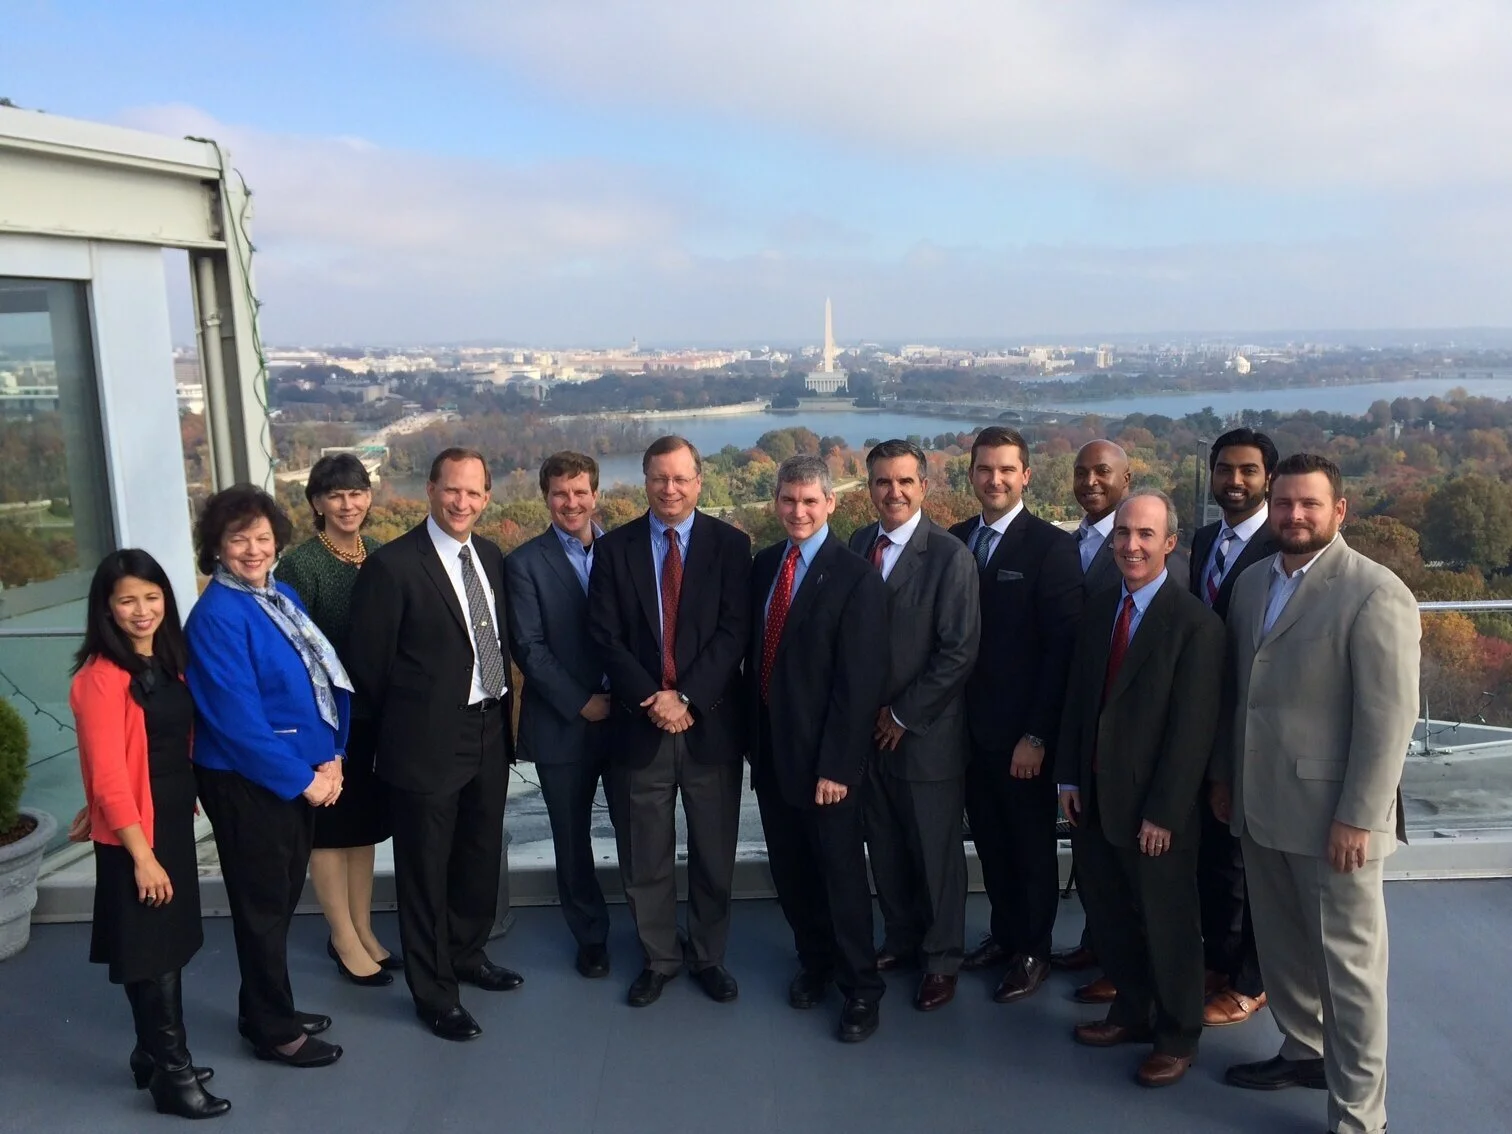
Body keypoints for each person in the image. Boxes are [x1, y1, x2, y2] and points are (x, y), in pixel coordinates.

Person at [1213, 453, 1419, 1134]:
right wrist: (1224, 780)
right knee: (1283, 952)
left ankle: (1359, 1115)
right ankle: (1305, 1052)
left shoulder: (1375, 592)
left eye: (1310, 504)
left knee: (1349, 974)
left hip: (1336, 821)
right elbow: (1240, 696)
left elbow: (1389, 719)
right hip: (1260, 809)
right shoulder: (1252, 585)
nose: (1295, 515)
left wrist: (1359, 816)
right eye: (1284, 503)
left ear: (1340, 510)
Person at [347, 448, 522, 1042]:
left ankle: (468, 954)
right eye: (452, 489)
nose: (461, 502)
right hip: (424, 743)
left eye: (473, 493)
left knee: (478, 856)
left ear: (487, 498)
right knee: (424, 872)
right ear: (429, 489)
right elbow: (368, 669)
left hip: (489, 729)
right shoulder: (393, 566)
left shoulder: (491, 557)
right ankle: (434, 994)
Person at [1055, 491, 1225, 1089]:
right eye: (1123, 533)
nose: (1131, 545)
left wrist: (1165, 813)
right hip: (1093, 799)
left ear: (1170, 544)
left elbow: (1193, 732)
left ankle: (1176, 1037)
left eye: (1146, 535)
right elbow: (1079, 701)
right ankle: (1130, 1011)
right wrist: (1069, 777)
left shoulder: (1196, 626)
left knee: (1169, 924)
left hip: (1155, 811)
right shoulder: (1101, 608)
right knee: (1110, 916)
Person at [186, 485, 348, 1069]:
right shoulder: (216, 616)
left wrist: (333, 755)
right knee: (262, 907)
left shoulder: (279, 595)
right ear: (216, 547)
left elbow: (318, 681)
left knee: (277, 901)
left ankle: (261, 1009)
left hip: (295, 772)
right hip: (249, 782)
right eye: (239, 539)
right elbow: (237, 723)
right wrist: (306, 781)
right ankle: (274, 1031)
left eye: (262, 537)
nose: (253, 549)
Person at [587, 436, 751, 1008]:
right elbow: (604, 636)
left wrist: (687, 698)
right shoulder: (614, 549)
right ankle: (659, 958)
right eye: (660, 478)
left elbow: (734, 632)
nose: (670, 489)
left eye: (681, 478)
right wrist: (653, 699)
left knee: (714, 854)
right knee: (644, 855)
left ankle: (708, 956)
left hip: (711, 726)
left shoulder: (731, 545)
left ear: (699, 482)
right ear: (645, 481)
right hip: (641, 726)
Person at [70, 549, 231, 1119]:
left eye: (152, 596)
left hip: (169, 816)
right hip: (138, 833)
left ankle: (152, 1054)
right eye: (127, 601)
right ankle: (174, 1073)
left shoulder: (164, 660)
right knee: (154, 950)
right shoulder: (100, 678)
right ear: (106, 609)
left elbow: (144, 748)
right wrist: (141, 854)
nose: (142, 610)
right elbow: (110, 770)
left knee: (163, 943)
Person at [748, 455, 890, 1041]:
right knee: (792, 872)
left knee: (840, 876)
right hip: (771, 755)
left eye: (810, 501)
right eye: (788, 499)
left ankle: (861, 988)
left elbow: (859, 683)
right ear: (776, 502)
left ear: (831, 503)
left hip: (826, 765)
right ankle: (815, 962)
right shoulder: (764, 565)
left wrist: (838, 766)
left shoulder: (856, 577)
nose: (798, 511)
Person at [950, 428, 1084, 1004]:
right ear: (971, 475)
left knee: (1030, 847)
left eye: (1006, 470)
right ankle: (1004, 935)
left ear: (1026, 475)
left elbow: (1062, 651)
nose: (995, 480)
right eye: (984, 469)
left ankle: (1034, 950)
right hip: (965, 733)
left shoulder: (1052, 548)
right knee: (989, 840)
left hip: (1022, 738)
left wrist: (1037, 735)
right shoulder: (956, 540)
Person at [847, 440, 979, 1011]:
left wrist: (902, 715)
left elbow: (958, 651)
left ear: (924, 486)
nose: (893, 492)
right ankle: (901, 939)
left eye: (904, 481)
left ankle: (942, 958)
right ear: (869, 488)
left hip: (925, 737)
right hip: (867, 737)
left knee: (934, 855)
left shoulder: (950, 557)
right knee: (886, 847)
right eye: (883, 482)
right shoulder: (858, 544)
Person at [277, 453, 399, 988]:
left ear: (368, 497)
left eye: (356, 493)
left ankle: (363, 928)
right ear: (316, 503)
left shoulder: (379, 554)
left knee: (362, 827)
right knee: (329, 830)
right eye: (335, 495)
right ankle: (342, 937)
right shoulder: (300, 566)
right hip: (324, 722)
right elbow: (294, 653)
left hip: (373, 715)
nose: (348, 504)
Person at [505, 452, 615, 979]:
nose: (571, 503)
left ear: (596, 494)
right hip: (562, 723)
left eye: (580, 492)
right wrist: (581, 701)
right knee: (571, 838)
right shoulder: (524, 563)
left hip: (627, 719)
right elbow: (528, 647)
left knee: (640, 832)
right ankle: (590, 937)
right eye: (560, 494)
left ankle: (654, 931)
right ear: (546, 497)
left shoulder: (624, 549)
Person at [1187, 429, 1279, 1029]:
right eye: (1225, 469)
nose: (1235, 481)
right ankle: (1219, 962)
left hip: (1259, 730)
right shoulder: (1203, 540)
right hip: (1207, 725)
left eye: (1248, 470)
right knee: (1218, 857)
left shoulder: (1283, 544)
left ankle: (1253, 979)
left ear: (1268, 477)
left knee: (1255, 867)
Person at [1052, 438, 1133, 996]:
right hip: (1076, 721)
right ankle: (1098, 942)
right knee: (1090, 847)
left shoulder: (1143, 550)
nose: (1090, 482)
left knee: (1121, 855)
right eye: (1081, 473)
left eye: (1103, 472)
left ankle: (1124, 968)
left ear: (1126, 479)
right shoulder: (1066, 545)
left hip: (1120, 730)